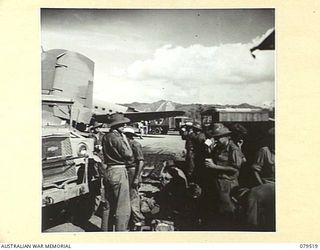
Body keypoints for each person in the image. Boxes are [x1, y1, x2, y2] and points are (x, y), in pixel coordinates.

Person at [204, 123, 246, 229]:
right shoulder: (219, 146)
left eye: (218, 138)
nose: (216, 140)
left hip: (228, 184)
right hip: (218, 182)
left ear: (227, 136)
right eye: (215, 138)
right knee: (218, 209)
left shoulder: (234, 149)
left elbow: (235, 169)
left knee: (228, 211)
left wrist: (214, 167)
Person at [101, 113, 133, 231]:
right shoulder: (118, 138)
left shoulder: (106, 136)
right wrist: (124, 139)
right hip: (119, 171)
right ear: (117, 125)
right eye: (122, 124)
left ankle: (105, 231)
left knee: (108, 205)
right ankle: (121, 232)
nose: (124, 125)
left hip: (108, 170)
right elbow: (128, 155)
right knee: (122, 206)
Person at [123, 127, 145, 229]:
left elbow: (140, 161)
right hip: (125, 170)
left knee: (133, 196)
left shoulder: (135, 144)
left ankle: (137, 220)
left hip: (132, 171)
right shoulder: (123, 145)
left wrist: (137, 177)